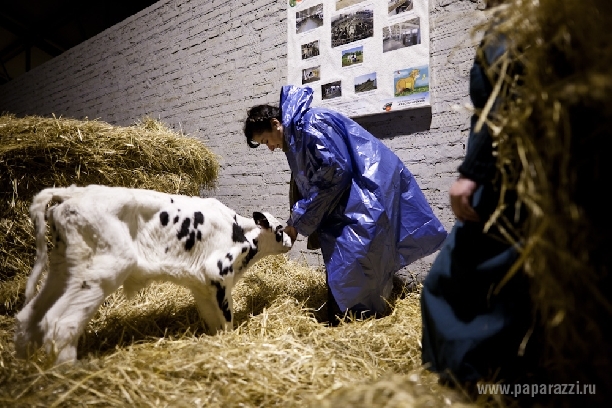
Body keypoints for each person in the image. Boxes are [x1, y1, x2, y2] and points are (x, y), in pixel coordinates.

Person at [244, 85, 447, 322]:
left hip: (362, 199)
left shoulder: (311, 125)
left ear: (275, 124)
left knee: (354, 266)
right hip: (347, 203)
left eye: (266, 140)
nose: (270, 147)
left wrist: (297, 221)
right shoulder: (297, 135)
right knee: (349, 267)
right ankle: (351, 321)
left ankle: (360, 324)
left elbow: (334, 172)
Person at [420, 0, 536, 389]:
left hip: (501, 177)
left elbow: (502, 105)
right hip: (521, 175)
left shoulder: (509, 28)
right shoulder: (533, 26)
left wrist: (472, 173)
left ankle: (470, 380)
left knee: (445, 283)